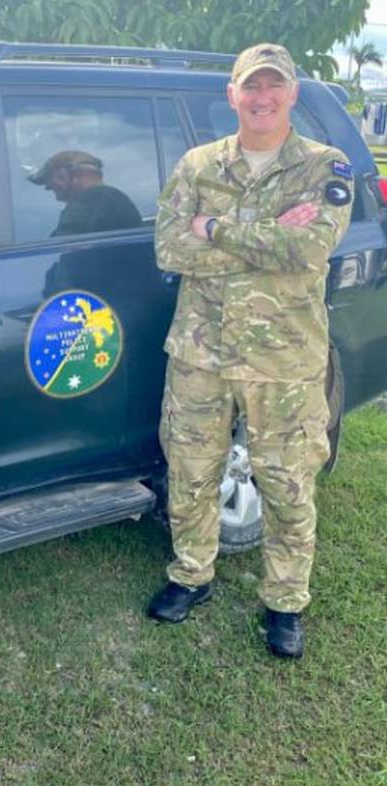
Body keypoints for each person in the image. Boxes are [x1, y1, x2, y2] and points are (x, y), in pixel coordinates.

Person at [147, 44, 351, 658]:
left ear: (292, 94)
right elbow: (169, 250)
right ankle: (192, 573)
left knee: (287, 485)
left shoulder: (324, 166)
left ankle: (285, 602)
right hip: (200, 354)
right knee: (190, 472)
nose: (262, 97)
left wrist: (212, 228)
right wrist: (265, 237)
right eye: (250, 87)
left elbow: (308, 251)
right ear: (232, 95)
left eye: (274, 87)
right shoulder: (198, 165)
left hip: (283, 361)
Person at [28, 149, 143, 237]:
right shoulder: (112, 199)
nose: (48, 187)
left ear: (75, 175)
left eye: (51, 178)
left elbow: (62, 253)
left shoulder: (87, 204)